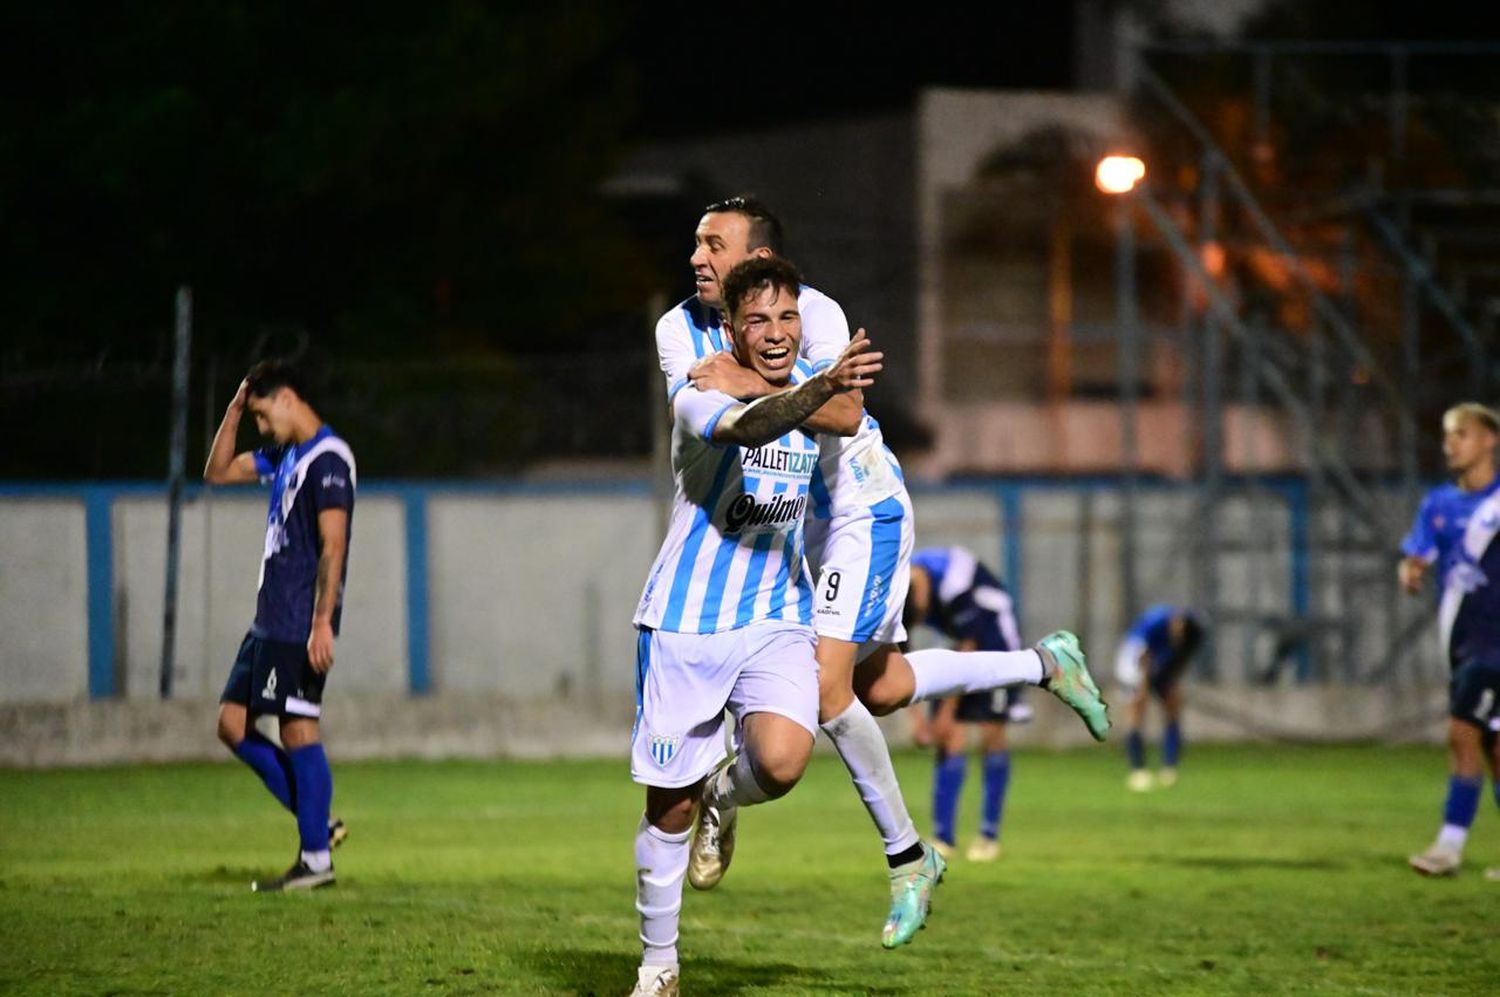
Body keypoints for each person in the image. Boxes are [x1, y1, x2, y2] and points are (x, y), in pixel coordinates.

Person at [659, 196, 1110, 951]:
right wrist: (743, 391)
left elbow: (844, 414)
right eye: (697, 245)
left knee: (828, 689)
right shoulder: (679, 325)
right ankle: (1044, 661)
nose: (697, 258)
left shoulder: (816, 315)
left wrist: (746, 384)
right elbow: (700, 403)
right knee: (884, 686)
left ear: (754, 256)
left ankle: (909, 857)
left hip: (861, 512)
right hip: (812, 527)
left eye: (713, 245)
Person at [629, 256, 883, 997]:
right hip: (685, 620)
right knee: (665, 802)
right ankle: (658, 965)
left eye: (787, 317)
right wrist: (806, 386)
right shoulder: (703, 386)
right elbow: (753, 425)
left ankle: (724, 793)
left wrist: (821, 384)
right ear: (733, 333)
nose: (776, 334)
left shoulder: (805, 376)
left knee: (780, 762)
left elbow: (852, 415)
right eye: (759, 322)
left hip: (777, 612)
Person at [203, 360, 355, 892]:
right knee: (233, 725)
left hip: (297, 623)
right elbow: (217, 471)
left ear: (289, 398)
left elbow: (333, 546)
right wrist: (237, 408)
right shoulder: (285, 455)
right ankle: (319, 827)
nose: (261, 429)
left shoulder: (328, 459)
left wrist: (322, 623)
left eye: (265, 415)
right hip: (267, 621)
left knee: (298, 729)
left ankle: (315, 858)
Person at [1400, 402, 1500, 878]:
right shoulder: (1438, 503)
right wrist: (1411, 569)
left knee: (1462, 734)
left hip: (1495, 647)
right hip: (1460, 644)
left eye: (1461, 434)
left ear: (1488, 440)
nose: (1450, 444)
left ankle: (1448, 846)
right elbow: (1417, 552)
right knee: (1494, 747)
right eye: (1447, 435)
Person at [905, 547, 1026, 862]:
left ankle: (988, 836)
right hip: (958, 644)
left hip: (994, 644)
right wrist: (916, 719)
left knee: (991, 733)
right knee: (950, 740)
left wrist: (944, 712)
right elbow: (897, 656)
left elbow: (970, 648)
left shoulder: (955, 584)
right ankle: (944, 837)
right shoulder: (897, 591)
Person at [1115, 605, 1206, 791]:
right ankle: (1138, 770)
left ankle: (1169, 768)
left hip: (1161, 663)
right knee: (1137, 707)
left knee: (1173, 705)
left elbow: (1181, 660)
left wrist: (1170, 680)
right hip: (1134, 661)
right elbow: (1141, 655)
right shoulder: (1155, 621)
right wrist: (1143, 685)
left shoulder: (1193, 634)